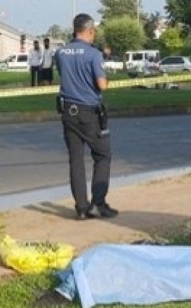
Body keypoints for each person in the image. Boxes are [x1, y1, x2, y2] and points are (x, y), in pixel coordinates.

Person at [55, 13, 118, 220]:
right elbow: (101, 85)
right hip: (89, 111)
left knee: (76, 159)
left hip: (68, 111)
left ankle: (81, 207)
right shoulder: (93, 54)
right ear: (90, 31)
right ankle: (97, 204)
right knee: (102, 155)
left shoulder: (61, 52)